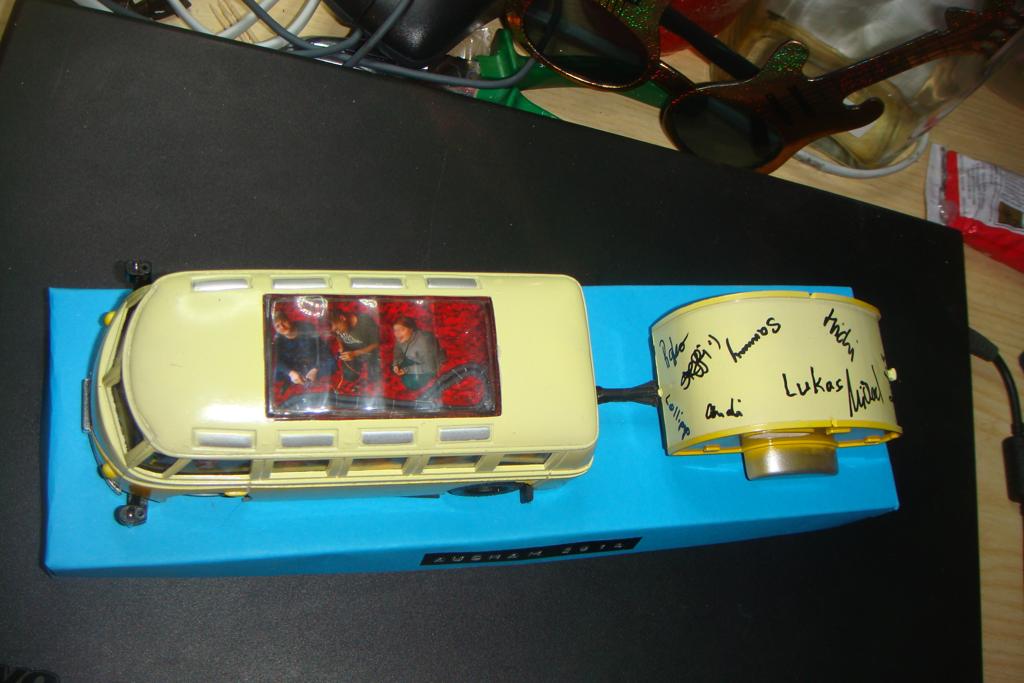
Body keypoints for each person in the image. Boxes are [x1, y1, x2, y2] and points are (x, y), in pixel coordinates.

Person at [272, 309, 333, 386]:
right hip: (293, 365)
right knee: (275, 372)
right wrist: (290, 372)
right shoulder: (277, 339)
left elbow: (321, 348)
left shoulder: (306, 327)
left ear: (288, 320)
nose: (282, 327)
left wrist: (315, 369)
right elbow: (277, 360)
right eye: (277, 326)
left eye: (284, 322)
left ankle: (310, 377)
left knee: (331, 362)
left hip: (313, 361)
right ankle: (298, 378)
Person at [391, 316, 446, 390]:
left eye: (402, 329)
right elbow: (398, 352)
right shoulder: (401, 337)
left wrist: (406, 370)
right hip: (414, 359)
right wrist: (396, 364)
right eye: (395, 330)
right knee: (392, 368)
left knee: (411, 383)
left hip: (432, 365)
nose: (397, 333)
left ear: (411, 329)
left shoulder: (424, 341)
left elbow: (431, 366)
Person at [328, 308, 381, 384]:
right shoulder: (337, 327)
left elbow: (376, 343)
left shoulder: (365, 321)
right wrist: (341, 347)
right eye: (335, 331)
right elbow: (337, 336)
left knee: (375, 377)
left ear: (342, 318)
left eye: (337, 329)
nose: (338, 332)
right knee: (349, 376)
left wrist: (355, 353)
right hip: (350, 351)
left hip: (367, 350)